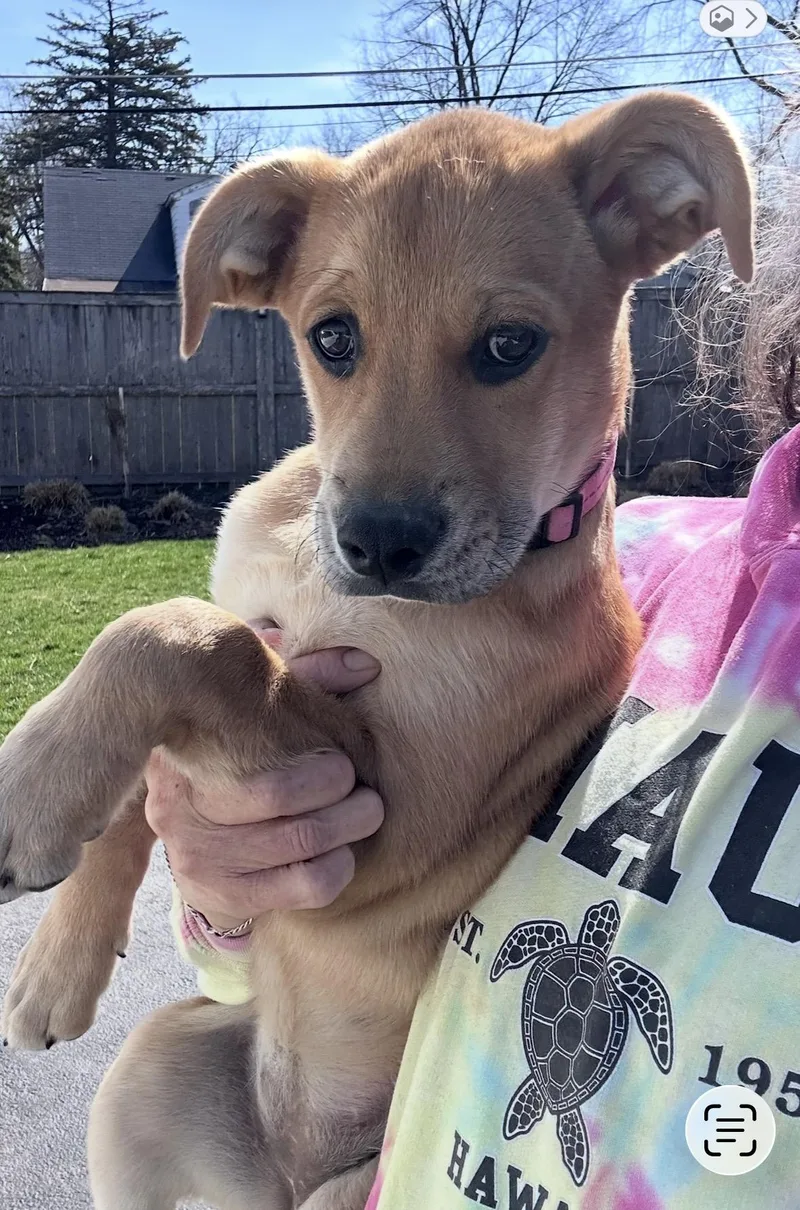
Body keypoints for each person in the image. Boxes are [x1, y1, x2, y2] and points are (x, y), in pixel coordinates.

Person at [145, 195, 800, 1207]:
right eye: (336, 338)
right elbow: (230, 960)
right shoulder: (628, 568)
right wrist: (224, 886)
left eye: (504, 345)